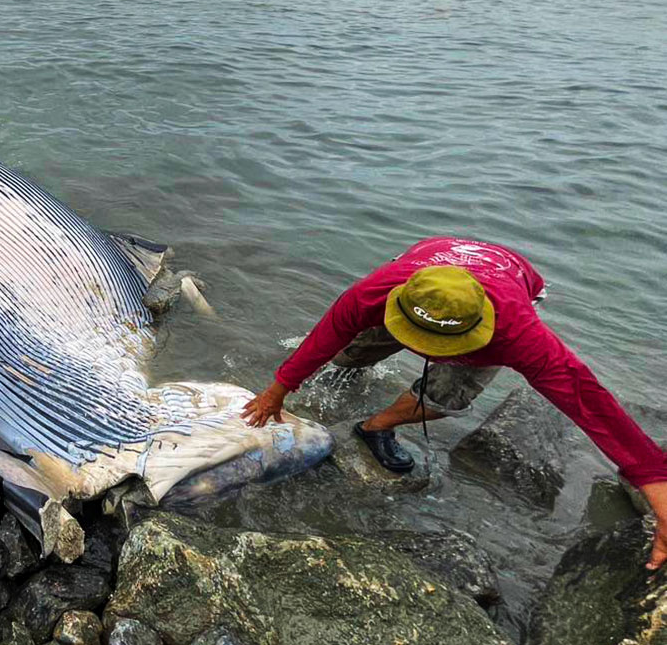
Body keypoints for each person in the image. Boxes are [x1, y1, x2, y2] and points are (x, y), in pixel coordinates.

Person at [240, 237, 667, 568]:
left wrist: (656, 485)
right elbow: (330, 329)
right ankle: (353, 367)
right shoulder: (376, 291)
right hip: (434, 264)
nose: (426, 353)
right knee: (348, 350)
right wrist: (281, 385)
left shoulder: (519, 334)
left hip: (503, 281)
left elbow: (588, 401)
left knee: (448, 394)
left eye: (441, 347)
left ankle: (376, 426)